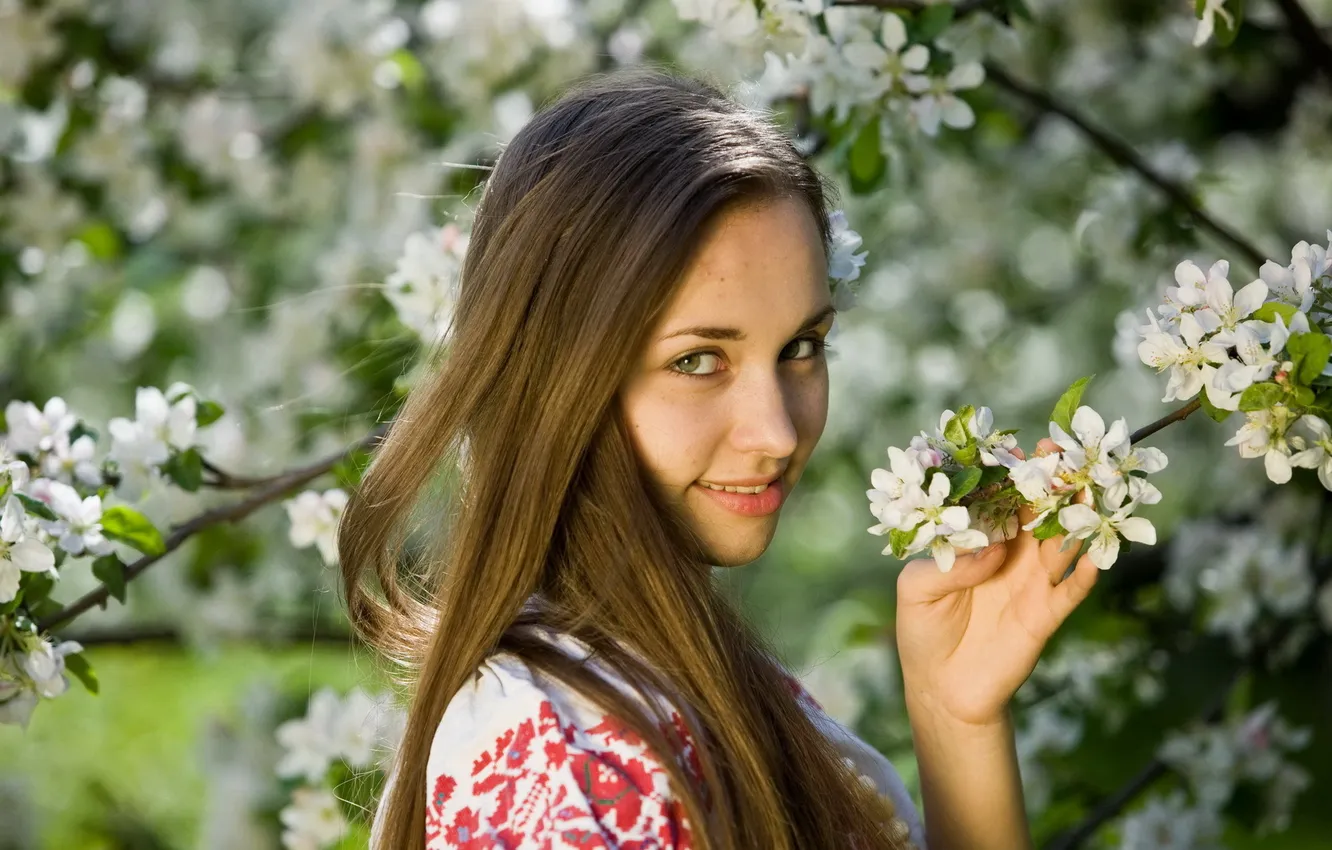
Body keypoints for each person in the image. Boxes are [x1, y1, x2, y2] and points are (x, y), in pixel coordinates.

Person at [339, 68, 1099, 850]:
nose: (775, 431)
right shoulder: (568, 759)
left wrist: (954, 716)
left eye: (802, 348)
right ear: (557, 375)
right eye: (698, 361)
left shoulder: (687, 690)